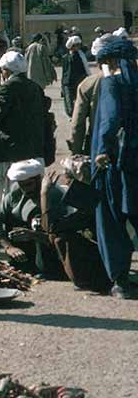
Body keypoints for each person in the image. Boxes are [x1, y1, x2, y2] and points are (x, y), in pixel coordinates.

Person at [90, 37, 138, 299]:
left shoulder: (112, 84)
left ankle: (120, 280)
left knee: (111, 221)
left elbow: (109, 119)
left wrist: (102, 152)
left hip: (114, 166)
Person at [42, 159, 112, 293]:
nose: (66, 183)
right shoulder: (100, 193)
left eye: (68, 179)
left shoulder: (91, 199)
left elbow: (51, 227)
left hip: (103, 264)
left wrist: (44, 193)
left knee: (61, 238)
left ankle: (86, 281)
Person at [0, 51, 47, 205]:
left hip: (13, 152)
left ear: (7, 71)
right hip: (34, 150)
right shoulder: (35, 87)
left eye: (2, 70)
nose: (2, 73)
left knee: (10, 195)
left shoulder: (8, 86)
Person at [0, 159, 64, 276]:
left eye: (29, 184)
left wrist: (33, 235)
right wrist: (9, 247)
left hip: (48, 251)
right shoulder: (16, 193)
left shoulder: (54, 195)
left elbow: (62, 235)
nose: (25, 189)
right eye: (21, 185)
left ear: (38, 179)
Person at [69, 35, 109, 154]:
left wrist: (76, 152)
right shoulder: (132, 79)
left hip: (98, 145)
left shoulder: (89, 84)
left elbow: (77, 124)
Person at [61, 35, 88, 117]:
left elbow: (84, 68)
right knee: (69, 102)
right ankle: (71, 115)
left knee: (79, 100)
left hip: (79, 81)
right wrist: (62, 84)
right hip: (68, 82)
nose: (79, 47)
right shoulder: (66, 57)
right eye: (77, 45)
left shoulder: (80, 56)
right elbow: (64, 71)